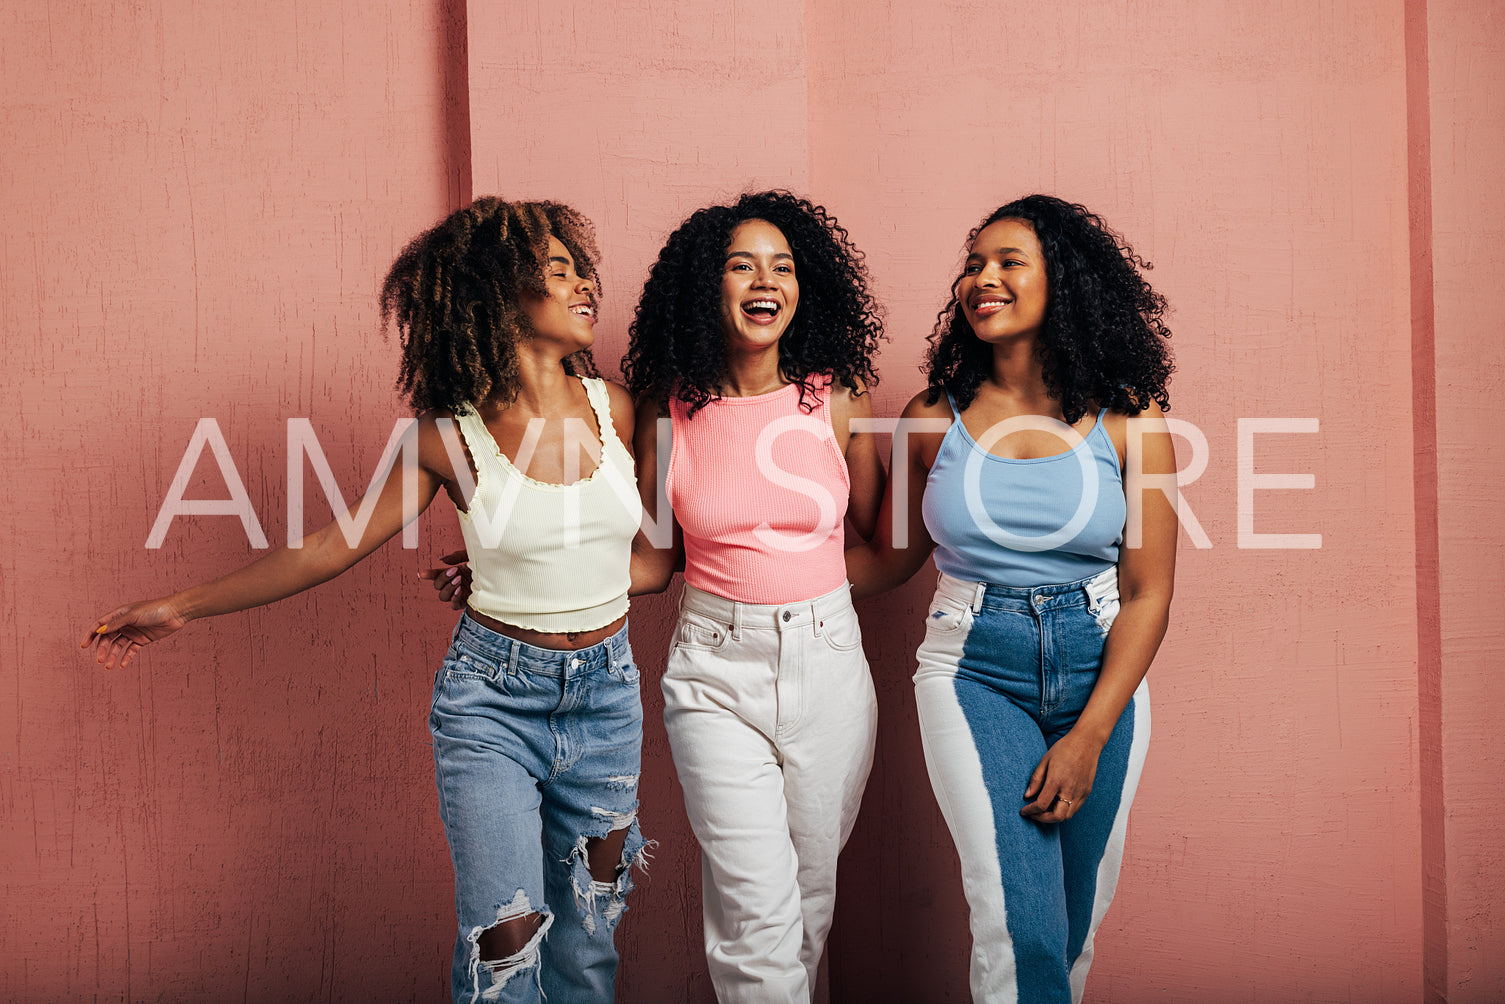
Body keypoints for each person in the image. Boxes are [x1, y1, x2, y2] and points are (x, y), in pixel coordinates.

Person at [82, 198, 650, 1004]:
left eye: (580, 268)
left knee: (589, 940)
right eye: (557, 272)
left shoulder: (619, 411)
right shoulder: (447, 438)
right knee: (506, 938)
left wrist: (519, 571)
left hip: (606, 696)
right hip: (492, 703)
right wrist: (180, 607)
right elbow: (328, 546)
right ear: (499, 296)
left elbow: (650, 561)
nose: (585, 284)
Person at [846, 195, 1178, 1004]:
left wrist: (1088, 736)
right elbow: (889, 561)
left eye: (1005, 263)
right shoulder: (932, 419)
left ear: (1060, 283)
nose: (979, 279)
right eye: (971, 263)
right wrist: (737, 568)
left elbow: (1148, 592)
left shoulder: (1132, 419)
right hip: (971, 667)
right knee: (1013, 921)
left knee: (1070, 923)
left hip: (1100, 669)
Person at [622, 190, 886, 1003]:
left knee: (804, 911)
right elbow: (653, 560)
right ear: (708, 286)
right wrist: (513, 575)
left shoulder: (835, 398)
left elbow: (882, 546)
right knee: (754, 918)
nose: (764, 279)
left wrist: (809, 590)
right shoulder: (665, 412)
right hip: (712, 674)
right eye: (741, 264)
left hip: (829, 663)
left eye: (783, 265)